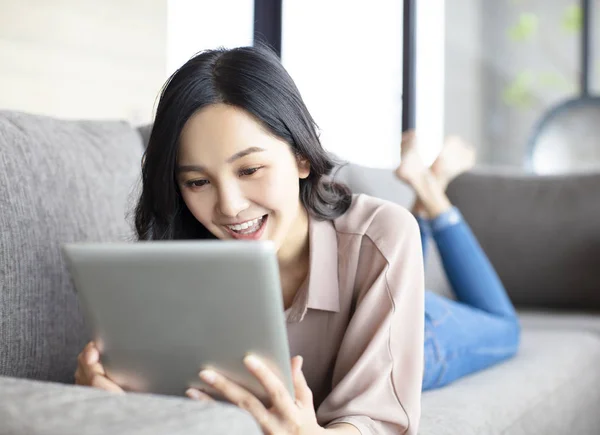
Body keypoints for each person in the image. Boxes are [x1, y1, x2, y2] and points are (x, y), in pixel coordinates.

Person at [73, 45, 519, 434]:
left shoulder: (380, 233)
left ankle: (432, 197)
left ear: (302, 157)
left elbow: (377, 419)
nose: (228, 206)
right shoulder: (170, 266)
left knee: (504, 328)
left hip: (413, 334)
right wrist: (107, 392)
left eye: (249, 170)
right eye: (196, 182)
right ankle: (426, 195)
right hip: (369, 281)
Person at [395, 131, 521, 391]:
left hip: (398, 335)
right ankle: (430, 188)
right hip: (392, 317)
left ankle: (429, 187)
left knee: (507, 328)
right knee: (506, 327)